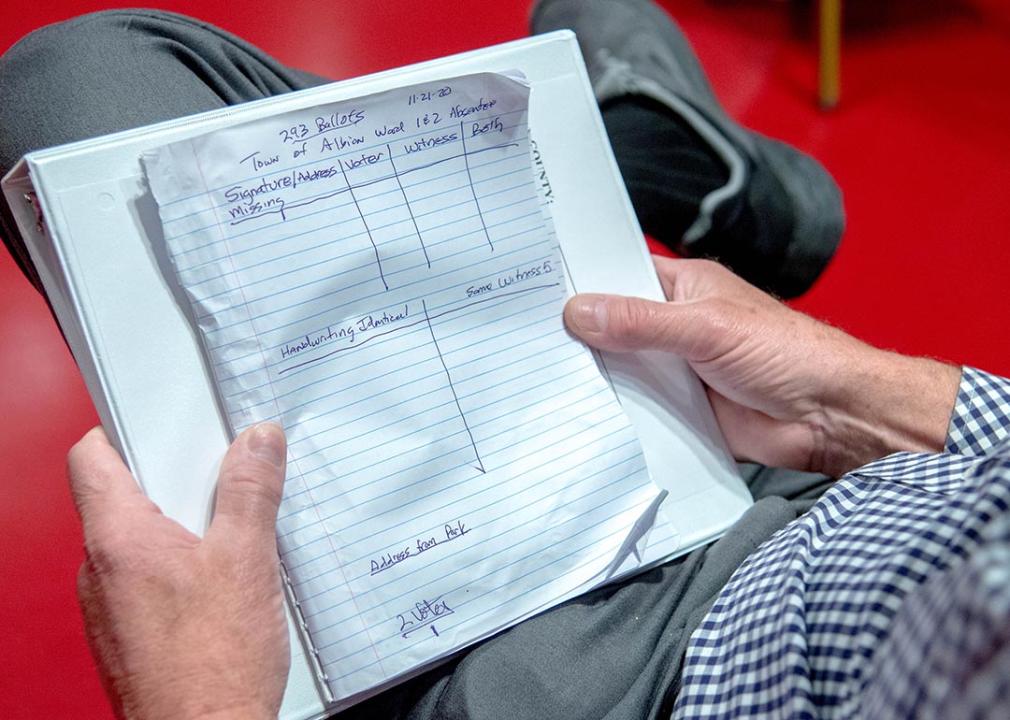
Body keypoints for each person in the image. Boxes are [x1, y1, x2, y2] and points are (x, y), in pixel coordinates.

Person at [3, 1, 1007, 718]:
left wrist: (204, 705)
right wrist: (857, 401)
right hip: (841, 494)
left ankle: (605, 156)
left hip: (643, 684)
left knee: (61, 88)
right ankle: (598, 160)